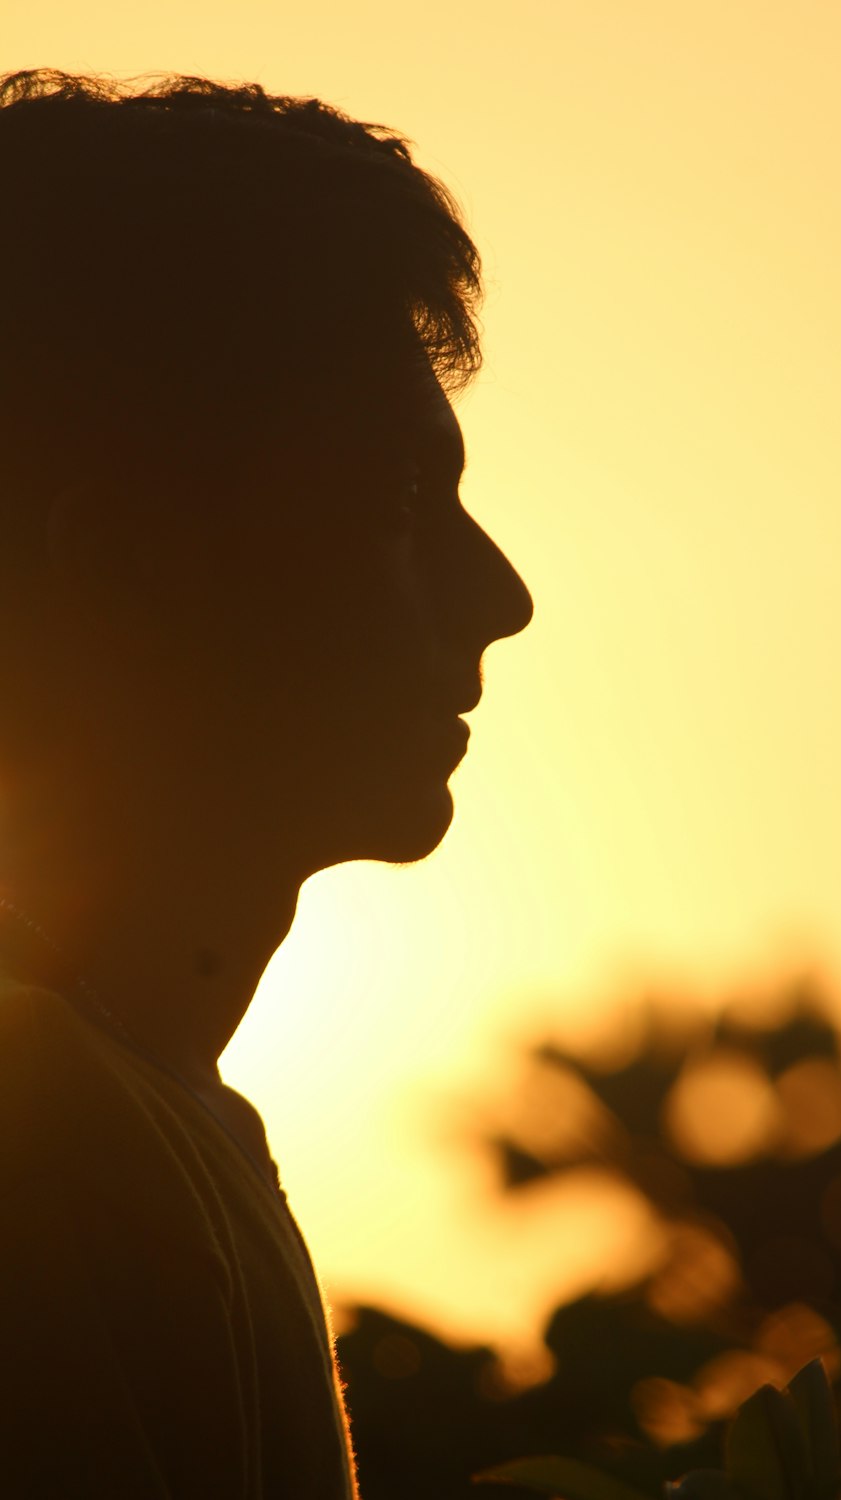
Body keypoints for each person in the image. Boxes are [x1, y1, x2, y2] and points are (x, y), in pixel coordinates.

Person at [0, 67, 532, 1497]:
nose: (504, 596)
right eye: (404, 503)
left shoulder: (154, 1109)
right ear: (118, 568)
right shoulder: (39, 1131)